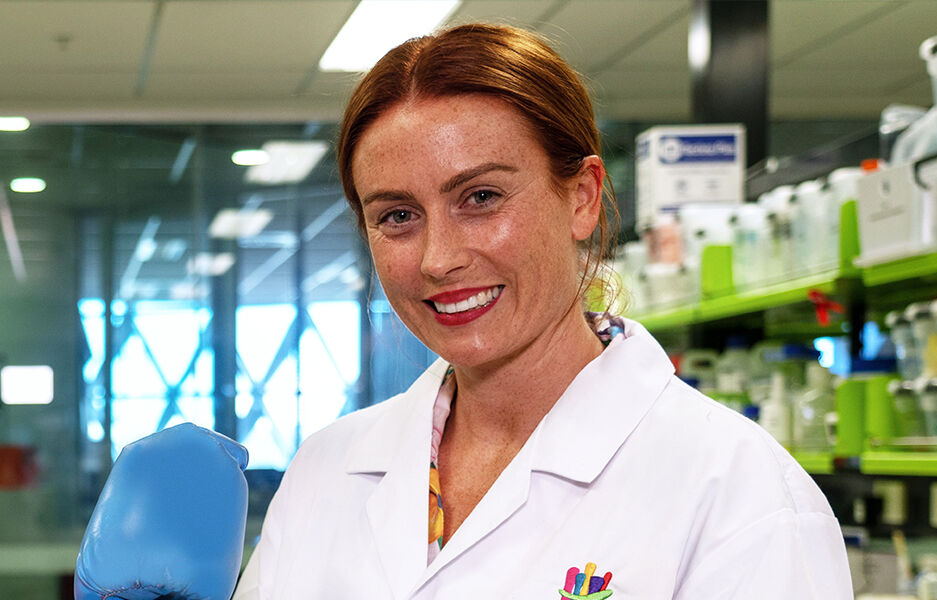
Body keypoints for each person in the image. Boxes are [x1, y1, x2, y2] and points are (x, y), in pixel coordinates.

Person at [233, 23, 852, 599]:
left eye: (481, 197)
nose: (438, 259)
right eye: (397, 215)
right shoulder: (323, 472)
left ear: (582, 198)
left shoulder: (741, 494)